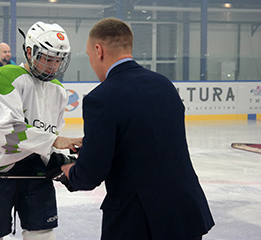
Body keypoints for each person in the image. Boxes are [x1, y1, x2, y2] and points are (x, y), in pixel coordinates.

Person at [61, 18, 215, 240]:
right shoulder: (164, 85)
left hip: (139, 221)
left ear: (98, 50)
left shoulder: (100, 99)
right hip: (185, 213)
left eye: (88, 55)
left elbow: (91, 174)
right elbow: (148, 141)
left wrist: (70, 172)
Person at [0, 21, 82, 240]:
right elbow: (5, 134)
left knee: (43, 235)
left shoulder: (59, 91)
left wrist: (58, 162)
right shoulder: (5, 76)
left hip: (37, 176)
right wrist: (55, 141)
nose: (53, 66)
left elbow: (47, 141)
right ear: (30, 52)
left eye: (58, 60)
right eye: (48, 59)